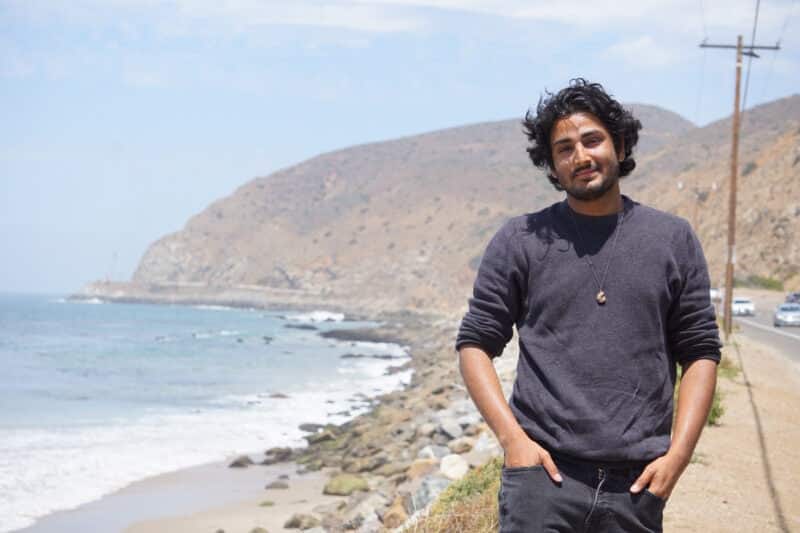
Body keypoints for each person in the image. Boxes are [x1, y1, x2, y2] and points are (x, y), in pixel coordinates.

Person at [455, 78, 721, 532]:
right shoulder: (520, 240)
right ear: (552, 166)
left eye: (592, 140)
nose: (581, 156)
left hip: (636, 486)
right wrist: (513, 442)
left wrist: (678, 457)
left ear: (618, 144)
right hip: (543, 483)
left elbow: (699, 352)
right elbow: (474, 344)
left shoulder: (671, 239)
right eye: (564, 149)